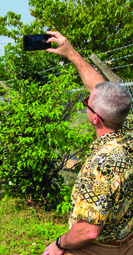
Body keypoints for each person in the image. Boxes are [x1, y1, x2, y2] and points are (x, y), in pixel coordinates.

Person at [42, 31, 133, 255]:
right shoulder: (127, 133)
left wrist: (58, 244)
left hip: (97, 249)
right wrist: (71, 53)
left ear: (95, 118)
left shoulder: (102, 164)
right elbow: (105, 93)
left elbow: (88, 231)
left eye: (87, 102)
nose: (87, 102)